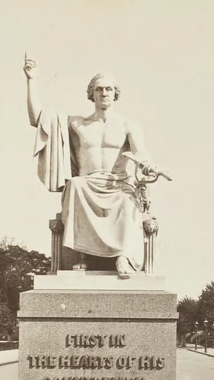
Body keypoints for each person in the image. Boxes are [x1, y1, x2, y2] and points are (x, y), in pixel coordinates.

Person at [24, 56, 170, 277]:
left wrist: (149, 167)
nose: (104, 93)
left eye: (109, 89)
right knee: (74, 185)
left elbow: (142, 155)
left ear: (115, 93)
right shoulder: (77, 124)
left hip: (118, 183)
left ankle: (123, 256)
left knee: (126, 199)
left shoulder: (128, 125)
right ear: (91, 93)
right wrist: (31, 80)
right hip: (88, 182)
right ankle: (83, 257)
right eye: (99, 89)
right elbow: (38, 118)